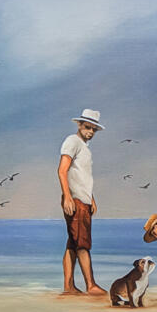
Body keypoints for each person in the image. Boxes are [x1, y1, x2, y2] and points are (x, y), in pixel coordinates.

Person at [58, 109, 106, 297]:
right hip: (75, 200)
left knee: (73, 243)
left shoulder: (85, 147)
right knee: (82, 244)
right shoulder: (72, 141)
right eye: (88, 128)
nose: (91, 132)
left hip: (83, 199)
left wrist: (91, 198)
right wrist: (68, 197)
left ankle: (69, 286)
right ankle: (91, 285)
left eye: (94, 129)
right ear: (79, 125)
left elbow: (83, 177)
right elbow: (62, 170)